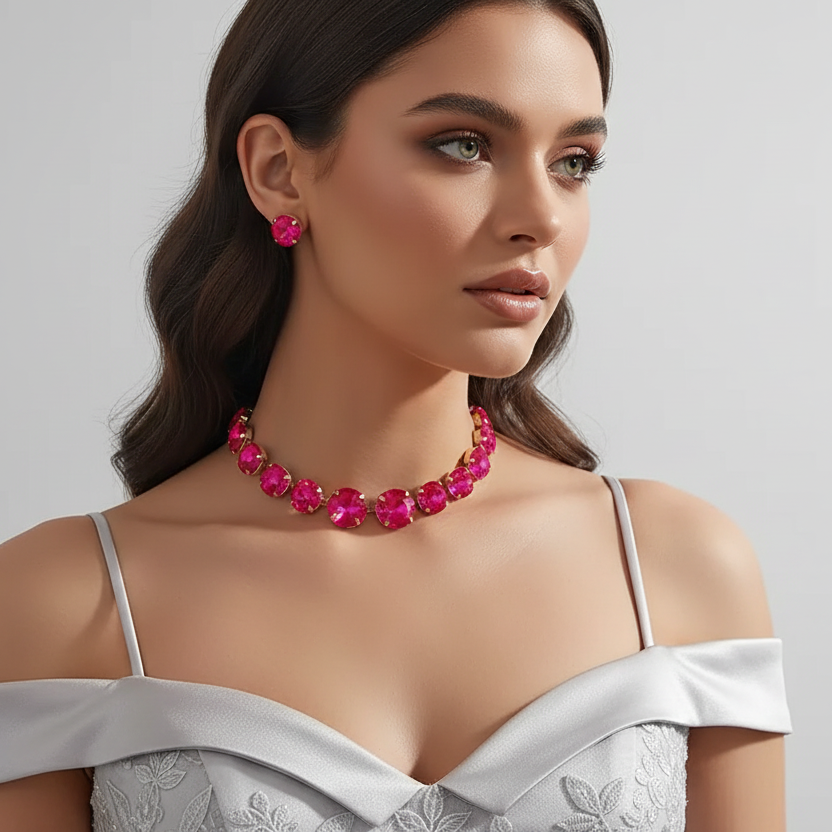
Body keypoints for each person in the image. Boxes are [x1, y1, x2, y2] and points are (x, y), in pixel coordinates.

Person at [0, 0, 791, 829]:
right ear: (278, 169)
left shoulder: (677, 569)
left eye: (574, 162)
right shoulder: (63, 600)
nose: (543, 216)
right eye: (464, 145)